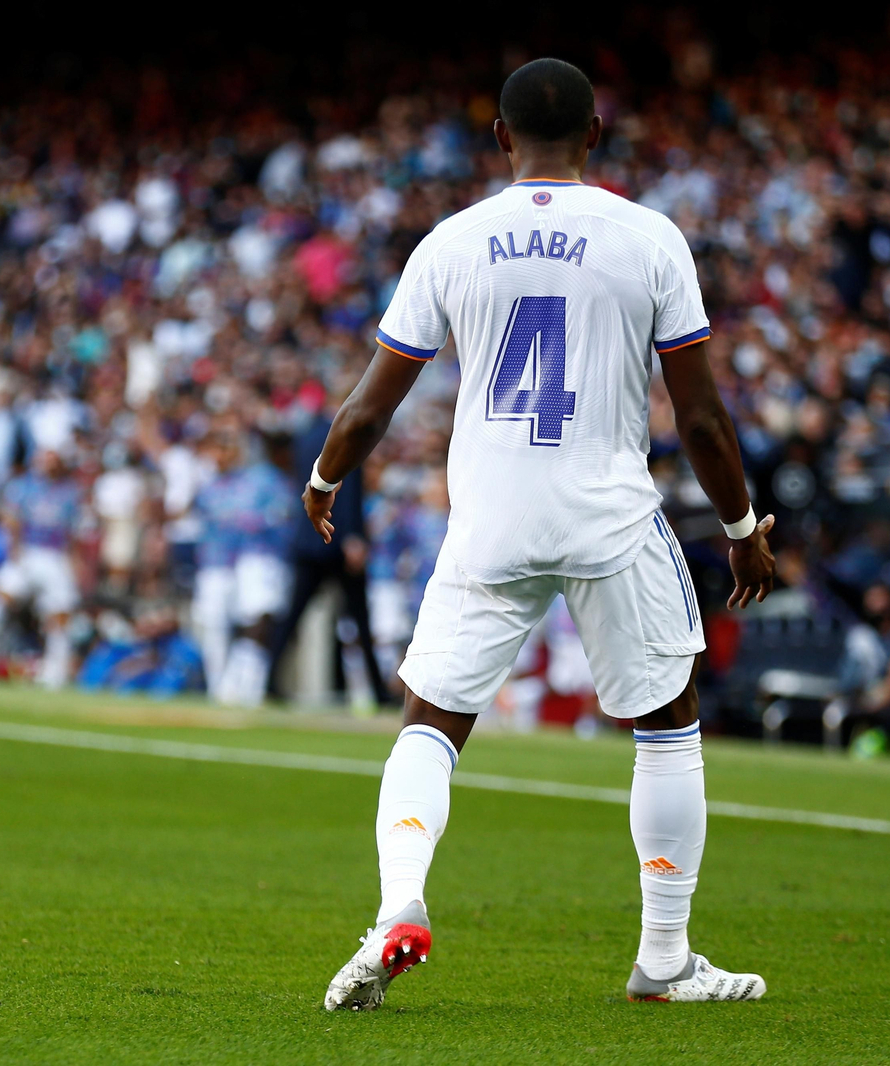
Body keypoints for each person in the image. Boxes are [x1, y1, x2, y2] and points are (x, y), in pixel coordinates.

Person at [312, 59, 777, 1010]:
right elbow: (700, 420)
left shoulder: (451, 242)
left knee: (431, 725)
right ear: (597, 135)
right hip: (608, 516)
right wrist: (741, 527)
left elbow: (369, 407)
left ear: (499, 136)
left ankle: (400, 905)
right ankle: (664, 958)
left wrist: (325, 481)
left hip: (491, 520)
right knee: (667, 721)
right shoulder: (649, 238)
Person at [265, 396, 389, 705]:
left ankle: (268, 681)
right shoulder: (344, 433)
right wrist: (353, 537)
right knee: (360, 619)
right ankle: (378, 692)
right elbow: (344, 493)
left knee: (292, 617)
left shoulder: (306, 436)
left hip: (308, 541)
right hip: (335, 540)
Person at [0, 448, 83, 688]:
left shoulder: (70, 492)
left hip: (55, 556)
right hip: (28, 552)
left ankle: (55, 674)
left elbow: (72, 532)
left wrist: (75, 564)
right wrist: (14, 549)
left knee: (59, 616)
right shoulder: (24, 486)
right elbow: (10, 518)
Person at [191, 425, 297, 706]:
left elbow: (275, 518)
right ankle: (222, 687)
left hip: (253, 559)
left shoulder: (260, 480)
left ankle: (245, 685)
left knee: (255, 618)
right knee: (218, 626)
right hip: (222, 563)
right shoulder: (212, 485)